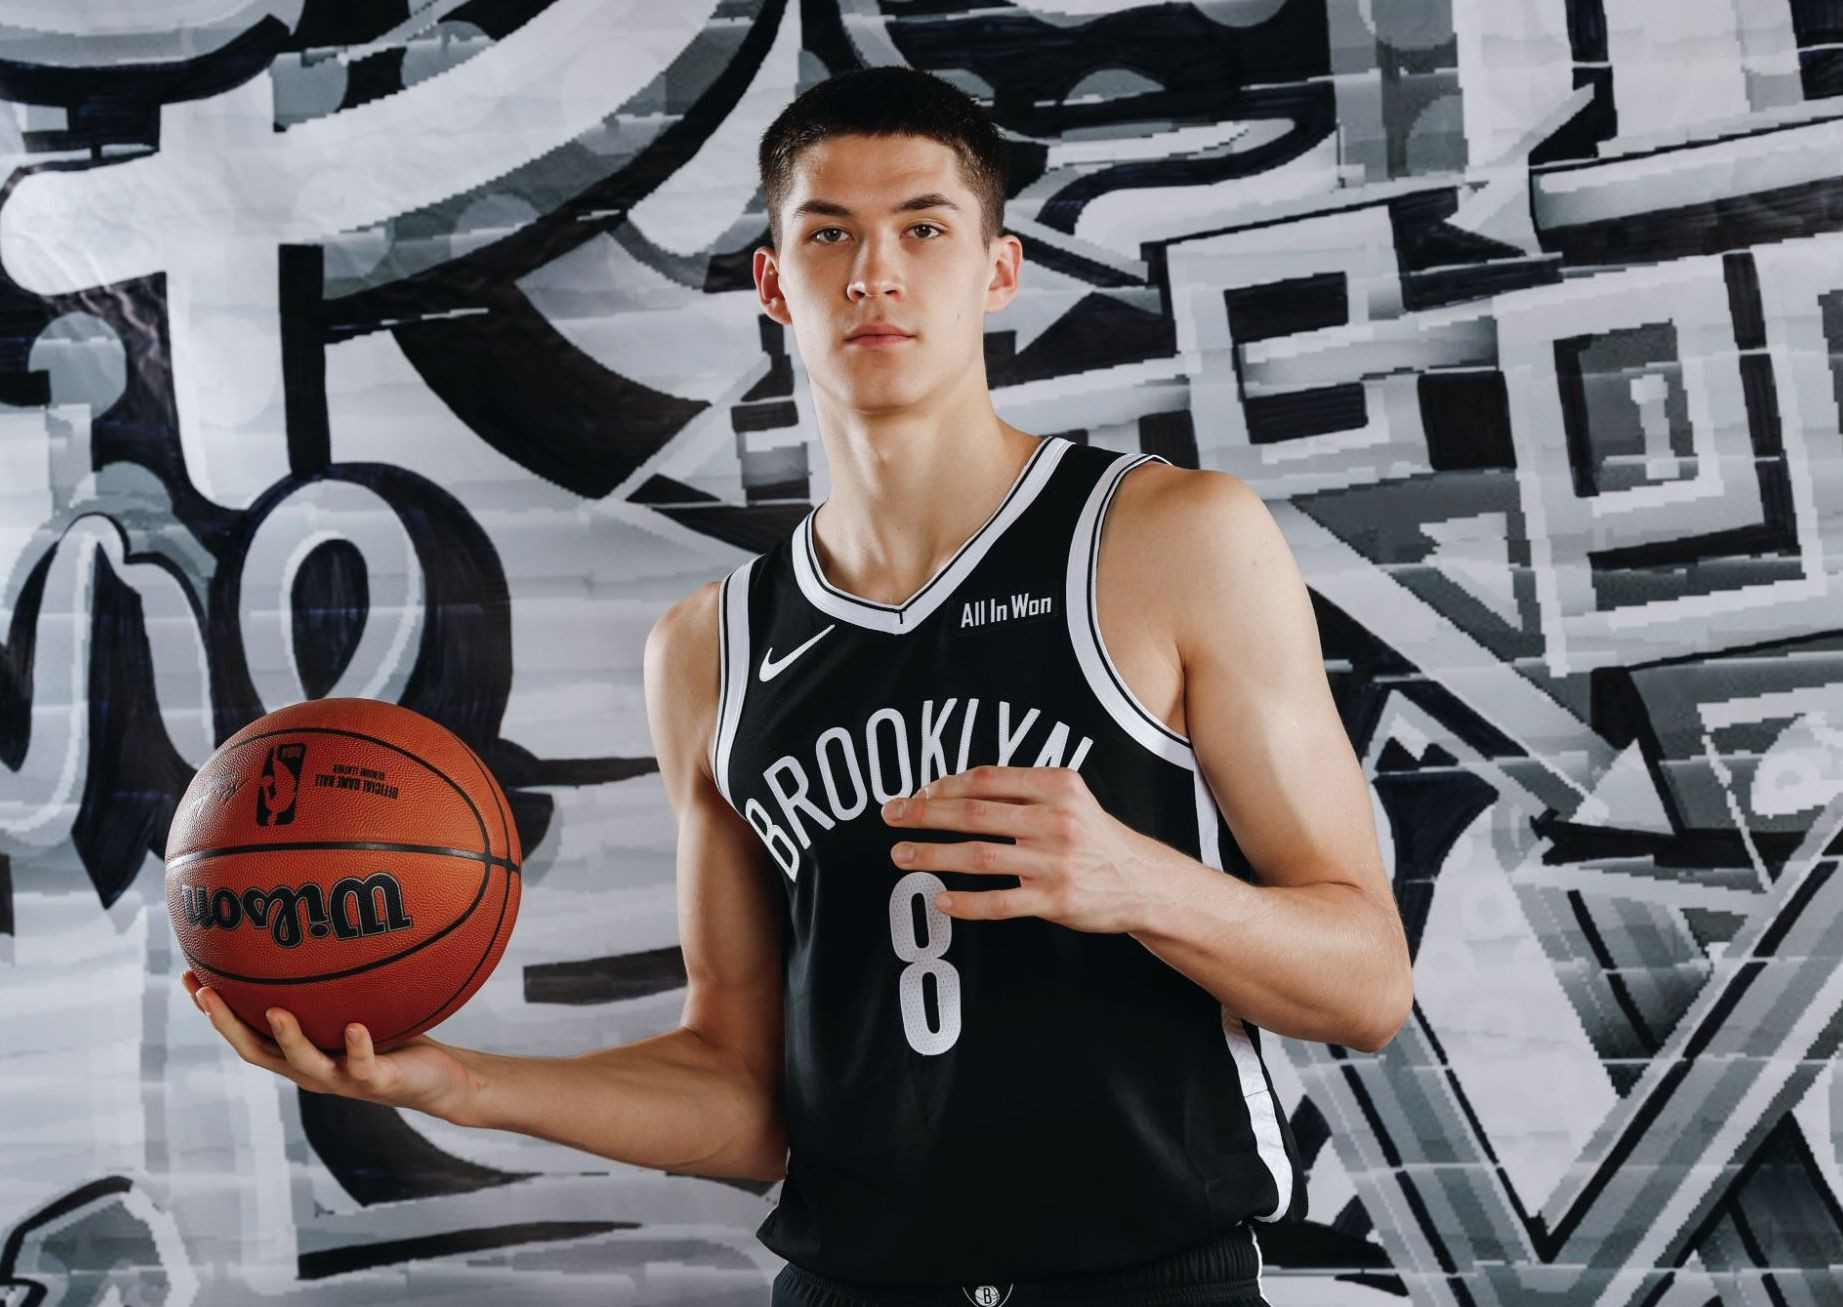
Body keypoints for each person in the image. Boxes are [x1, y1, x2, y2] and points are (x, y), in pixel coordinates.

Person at [183, 65, 1412, 1307]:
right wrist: (460, 1084)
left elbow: (1364, 984)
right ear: (775, 284)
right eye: (829, 234)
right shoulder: (706, 649)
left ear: (997, 271)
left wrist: (1142, 882)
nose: (874, 272)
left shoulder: (1168, 539)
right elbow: (743, 1092)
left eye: (923, 229)